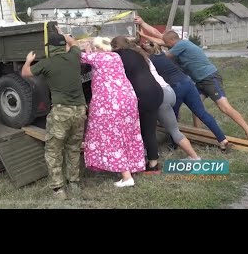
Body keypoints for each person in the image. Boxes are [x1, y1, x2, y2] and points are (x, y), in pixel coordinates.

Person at [135, 16, 248, 144]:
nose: (164, 44)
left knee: (224, 107)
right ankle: (198, 133)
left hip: (209, 78)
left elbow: (161, 51)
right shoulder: (176, 43)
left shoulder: (182, 44)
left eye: (166, 42)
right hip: (200, 81)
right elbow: (160, 38)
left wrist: (144, 38)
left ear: (172, 40)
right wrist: (143, 25)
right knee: (196, 107)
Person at [21, 27, 87, 200]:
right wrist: (63, 34)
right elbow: (73, 43)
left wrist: (28, 61)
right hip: (80, 111)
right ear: (63, 45)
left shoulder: (47, 63)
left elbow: (25, 73)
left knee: (53, 150)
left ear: (49, 48)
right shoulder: (74, 56)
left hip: (60, 113)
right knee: (73, 148)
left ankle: (58, 189)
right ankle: (74, 183)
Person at [141, 41, 230, 152]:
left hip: (175, 88)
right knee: (202, 113)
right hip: (188, 84)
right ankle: (222, 139)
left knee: (171, 119)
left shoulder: (149, 62)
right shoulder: (164, 56)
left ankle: (174, 144)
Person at [80, 37, 145, 187]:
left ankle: (126, 177)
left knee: (110, 136)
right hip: (128, 99)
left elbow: (77, 55)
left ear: (97, 48)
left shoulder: (97, 57)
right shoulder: (116, 56)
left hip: (109, 103)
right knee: (129, 133)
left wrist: (82, 47)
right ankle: (132, 165)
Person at [110, 36, 164, 173]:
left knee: (136, 129)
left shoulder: (117, 55)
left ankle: (134, 160)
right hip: (156, 91)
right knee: (150, 129)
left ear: (115, 46)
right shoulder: (137, 53)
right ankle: (153, 163)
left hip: (142, 94)